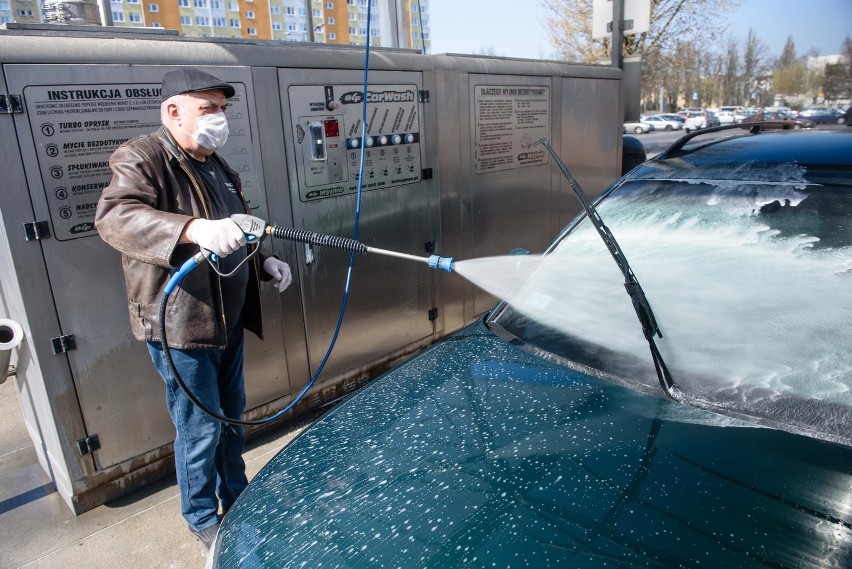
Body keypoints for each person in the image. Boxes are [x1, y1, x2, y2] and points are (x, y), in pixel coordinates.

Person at [95, 69, 292, 548]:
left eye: (223, 109)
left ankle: (237, 496)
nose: (219, 118)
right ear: (173, 111)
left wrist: (262, 259)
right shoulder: (143, 157)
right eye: (208, 109)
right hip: (181, 325)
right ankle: (203, 517)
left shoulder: (219, 168)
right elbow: (115, 217)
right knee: (199, 426)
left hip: (226, 320)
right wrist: (193, 229)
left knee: (231, 415)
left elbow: (235, 231)